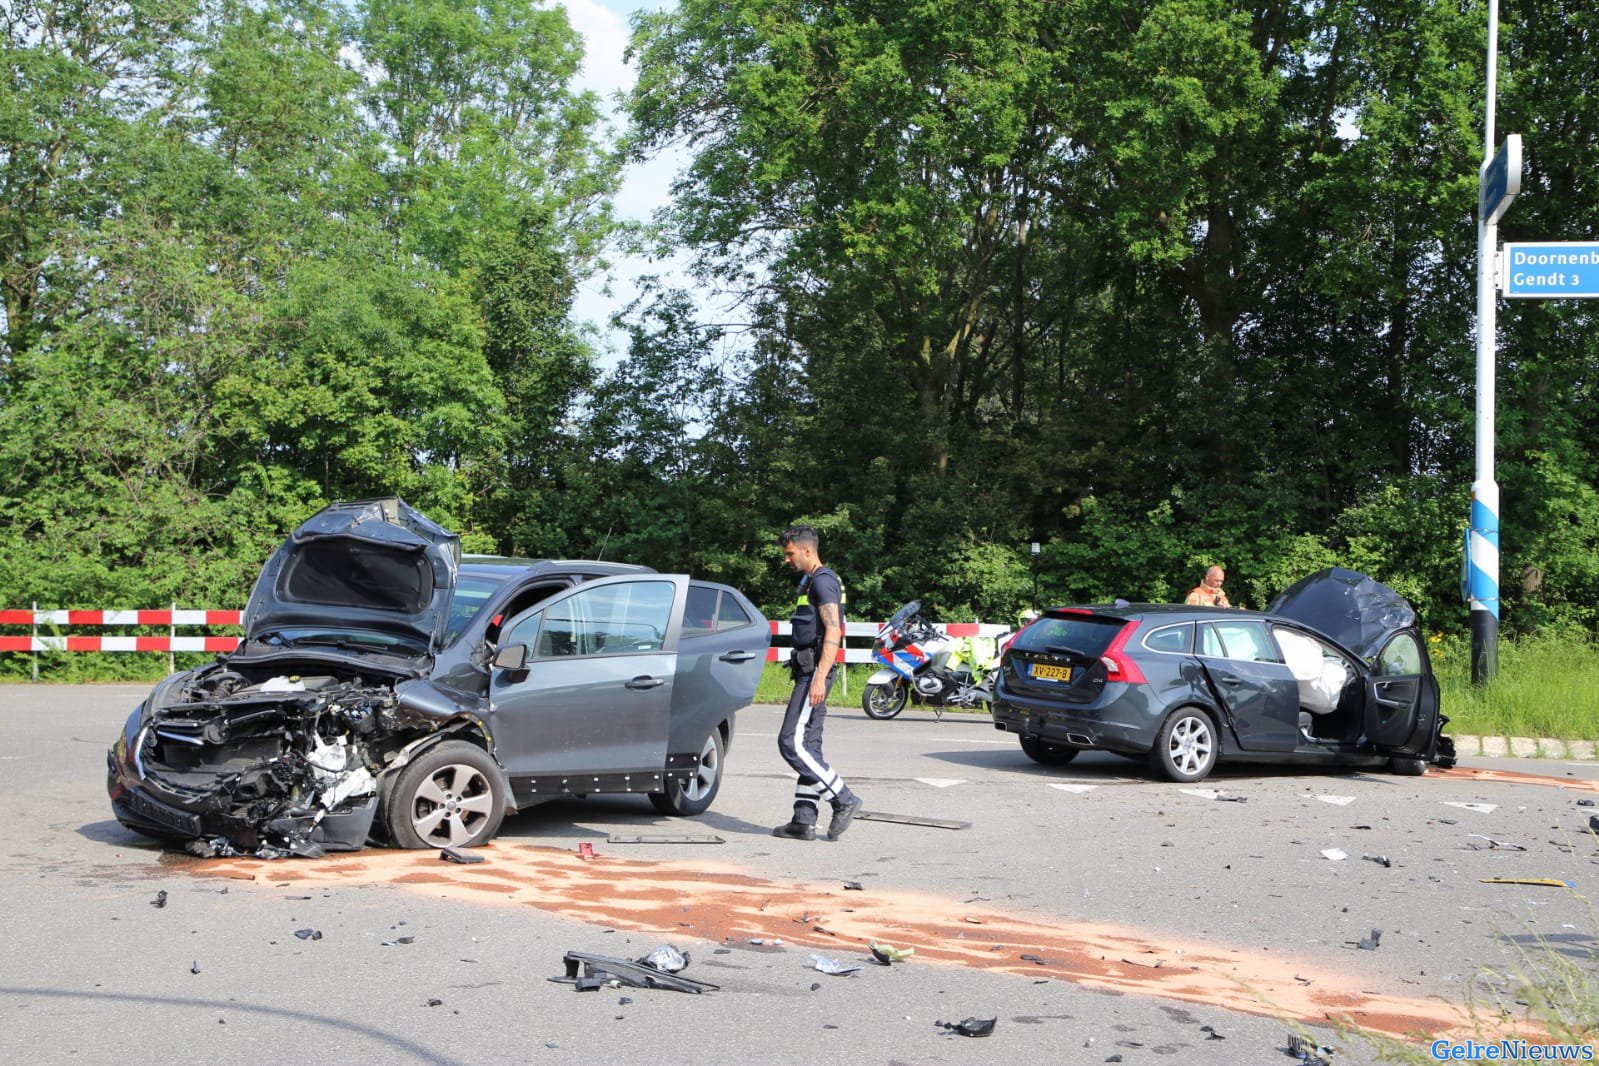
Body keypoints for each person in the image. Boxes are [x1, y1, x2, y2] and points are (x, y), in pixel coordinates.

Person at [771, 524, 863, 841]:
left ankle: (844, 798)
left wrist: (819, 677)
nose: (787, 559)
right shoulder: (811, 581)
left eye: (790, 553)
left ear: (807, 550)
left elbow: (833, 631)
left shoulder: (823, 582)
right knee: (809, 747)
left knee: (790, 743)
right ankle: (803, 819)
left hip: (815, 673)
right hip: (809, 670)